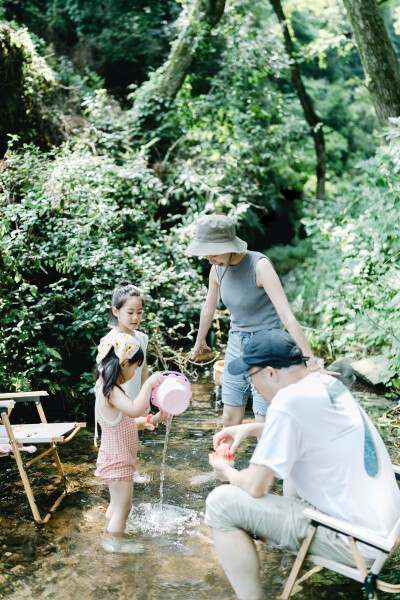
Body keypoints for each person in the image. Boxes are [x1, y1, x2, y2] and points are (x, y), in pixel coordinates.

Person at [205, 329, 400, 600]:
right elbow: (309, 430)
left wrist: (226, 471)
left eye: (251, 377)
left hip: (356, 543)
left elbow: (256, 486)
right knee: (293, 469)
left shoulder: (288, 402)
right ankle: (287, 565)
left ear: (270, 372)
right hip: (384, 531)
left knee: (221, 504)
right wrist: (251, 429)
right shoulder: (326, 384)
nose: (253, 386)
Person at [186, 214, 336, 428]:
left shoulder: (260, 266)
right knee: (229, 417)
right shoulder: (216, 269)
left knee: (264, 420)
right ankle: (226, 461)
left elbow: (286, 316)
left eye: (213, 253)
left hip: (267, 347)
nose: (209, 259)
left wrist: (311, 363)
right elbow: (209, 306)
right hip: (236, 344)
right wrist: (200, 339)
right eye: (206, 254)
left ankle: (265, 462)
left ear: (229, 246)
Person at [94, 332, 168, 553]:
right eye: (135, 368)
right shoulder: (112, 391)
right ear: (124, 363)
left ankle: (110, 527)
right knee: (124, 508)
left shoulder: (106, 387)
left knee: (116, 504)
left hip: (114, 458)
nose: (136, 372)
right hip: (118, 462)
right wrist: (148, 385)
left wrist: (150, 420)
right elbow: (135, 408)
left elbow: (124, 421)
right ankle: (114, 542)